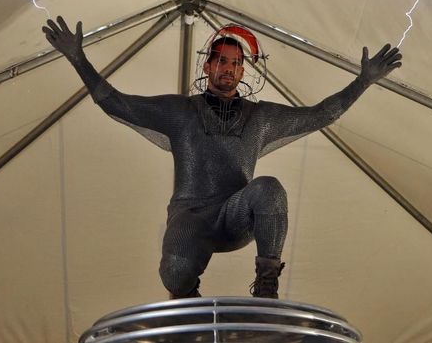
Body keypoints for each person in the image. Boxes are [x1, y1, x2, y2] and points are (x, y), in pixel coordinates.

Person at [42, 16, 402, 299]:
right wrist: (78, 58)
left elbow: (320, 114)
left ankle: (266, 284)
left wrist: (363, 81)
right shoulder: (180, 111)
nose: (228, 68)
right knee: (175, 269)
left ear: (244, 72)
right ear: (207, 67)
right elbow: (116, 103)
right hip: (191, 215)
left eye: (235, 63)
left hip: (236, 214)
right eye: (221, 61)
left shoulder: (260, 118)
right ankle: (187, 301)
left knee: (270, 188)